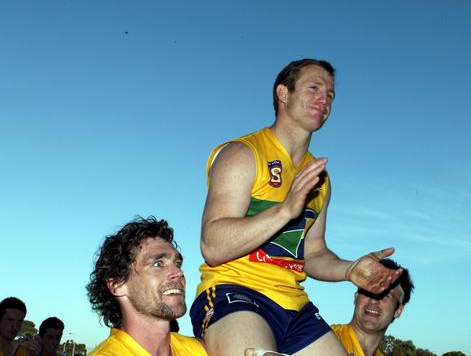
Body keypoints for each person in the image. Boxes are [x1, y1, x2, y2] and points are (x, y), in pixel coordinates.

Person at [191, 58, 403, 356]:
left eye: (330, 94)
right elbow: (212, 246)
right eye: (314, 88)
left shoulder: (320, 178)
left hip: (294, 304)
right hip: (234, 292)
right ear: (283, 93)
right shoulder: (242, 154)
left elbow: (313, 254)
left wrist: (349, 269)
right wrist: (284, 210)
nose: (324, 99)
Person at [87, 217, 207, 356]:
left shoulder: (200, 350)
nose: (178, 273)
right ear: (117, 285)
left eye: (178, 263)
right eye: (158, 264)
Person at [331, 259, 414, 356]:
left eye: (386, 295)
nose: (374, 300)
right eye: (368, 291)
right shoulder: (324, 338)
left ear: (398, 310)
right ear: (356, 297)